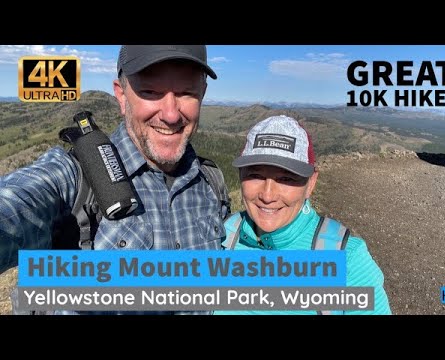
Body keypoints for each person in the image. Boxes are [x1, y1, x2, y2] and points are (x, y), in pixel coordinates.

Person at [0, 45, 228, 315]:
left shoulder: (212, 184)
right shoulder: (76, 179)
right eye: (150, 92)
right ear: (121, 95)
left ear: (202, 94)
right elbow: (16, 204)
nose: (170, 114)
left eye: (186, 92)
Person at [215, 115, 392, 315]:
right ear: (240, 176)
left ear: (311, 183)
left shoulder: (348, 259)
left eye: (286, 178)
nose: (268, 195)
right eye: (255, 175)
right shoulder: (220, 238)